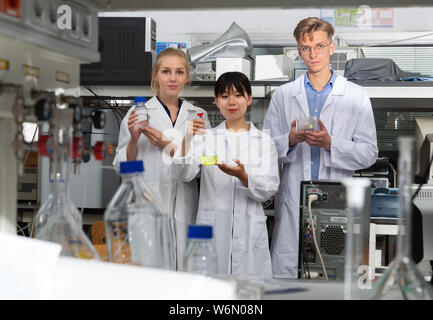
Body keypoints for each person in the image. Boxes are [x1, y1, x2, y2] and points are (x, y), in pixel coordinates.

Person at [263, 17, 378, 278]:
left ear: (331, 47)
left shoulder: (355, 95)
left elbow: (369, 152)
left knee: (333, 277)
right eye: (306, 47)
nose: (313, 54)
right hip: (293, 200)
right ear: (298, 51)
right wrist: (290, 140)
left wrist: (331, 144)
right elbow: (265, 148)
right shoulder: (283, 95)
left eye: (319, 46)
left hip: (336, 202)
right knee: (290, 283)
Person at [174, 72, 280, 278]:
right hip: (213, 230)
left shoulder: (264, 141)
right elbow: (184, 174)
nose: (231, 102)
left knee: (249, 297)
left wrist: (243, 176)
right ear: (216, 101)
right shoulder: (206, 138)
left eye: (238, 95)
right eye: (224, 96)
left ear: (249, 99)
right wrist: (187, 138)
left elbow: (268, 188)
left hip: (249, 231)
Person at [113, 48, 211, 270]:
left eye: (179, 72)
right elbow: (124, 169)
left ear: (187, 77)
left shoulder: (198, 116)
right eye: (166, 71)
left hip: (186, 209)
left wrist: (166, 145)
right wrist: (134, 139)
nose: (173, 78)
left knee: (185, 281)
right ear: (156, 76)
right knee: (150, 281)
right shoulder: (137, 114)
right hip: (148, 210)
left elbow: (191, 172)